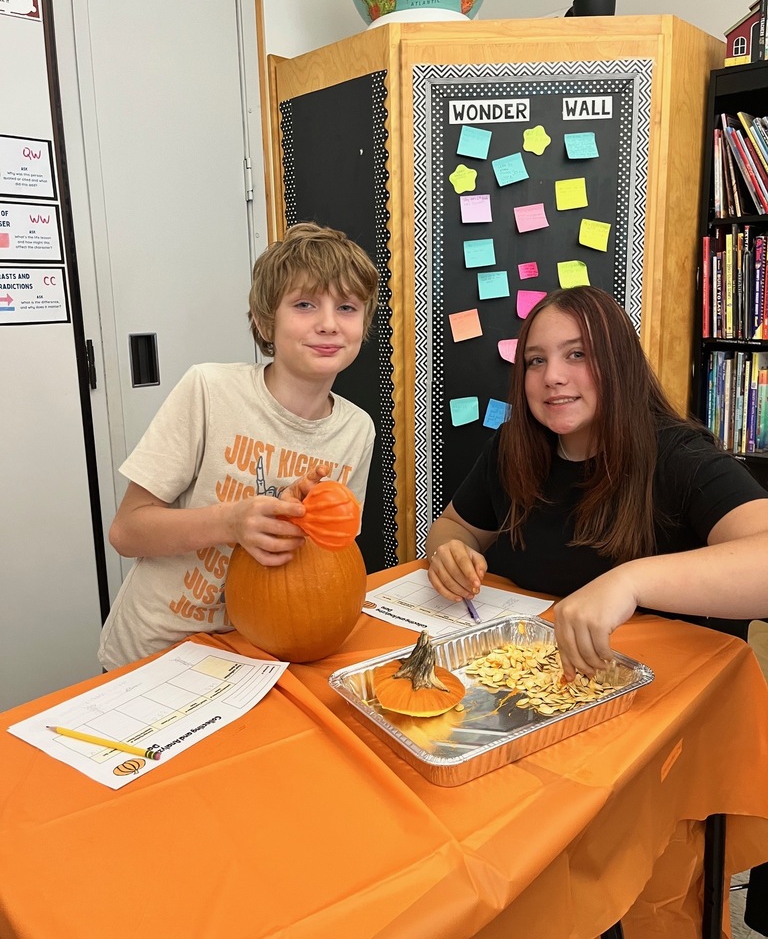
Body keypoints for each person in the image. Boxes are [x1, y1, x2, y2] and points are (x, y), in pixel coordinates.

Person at [426, 286, 768, 680]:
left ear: (619, 363)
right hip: (535, 676)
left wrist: (630, 583)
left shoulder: (681, 455)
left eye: (577, 354)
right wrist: (449, 551)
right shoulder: (509, 448)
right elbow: (454, 527)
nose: (552, 376)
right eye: (535, 361)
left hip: (666, 689)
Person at [99, 222, 379, 670]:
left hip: (256, 661)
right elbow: (126, 533)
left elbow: (332, 556)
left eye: (347, 307)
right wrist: (232, 522)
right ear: (268, 319)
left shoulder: (357, 430)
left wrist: (296, 514)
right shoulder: (210, 390)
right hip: (154, 654)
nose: (328, 324)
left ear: (363, 324)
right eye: (305, 304)